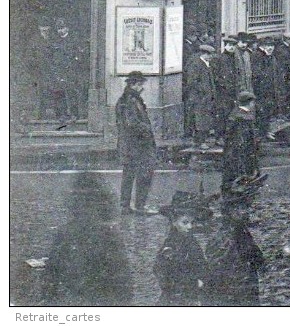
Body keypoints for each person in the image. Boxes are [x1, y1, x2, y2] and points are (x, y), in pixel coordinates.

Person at [41, 173, 132, 306]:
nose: (83, 208)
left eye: (87, 203)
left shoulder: (69, 233)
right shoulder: (109, 235)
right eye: (80, 203)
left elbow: (50, 279)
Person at [205, 178, 266, 306]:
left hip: (247, 289)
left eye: (245, 207)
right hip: (233, 292)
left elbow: (256, 256)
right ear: (230, 211)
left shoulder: (241, 230)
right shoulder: (224, 235)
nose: (245, 212)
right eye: (239, 208)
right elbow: (217, 268)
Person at [154, 192, 211, 305]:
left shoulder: (191, 241)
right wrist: (194, 283)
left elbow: (202, 264)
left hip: (194, 296)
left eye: (192, 222)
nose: (190, 227)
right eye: (185, 222)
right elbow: (162, 273)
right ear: (174, 222)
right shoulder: (171, 245)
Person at [115, 71, 159, 215]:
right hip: (137, 145)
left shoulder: (128, 99)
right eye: (140, 84)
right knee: (143, 174)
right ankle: (139, 206)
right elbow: (132, 123)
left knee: (129, 174)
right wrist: (147, 130)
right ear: (133, 84)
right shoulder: (130, 100)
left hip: (130, 144)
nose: (142, 87)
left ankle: (125, 206)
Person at [222, 91, 259, 191]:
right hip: (241, 149)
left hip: (236, 149)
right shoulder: (243, 117)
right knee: (239, 170)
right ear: (250, 103)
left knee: (234, 171)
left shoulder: (237, 115)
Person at [251, 37, 286, 138]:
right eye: (268, 45)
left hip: (269, 90)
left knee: (266, 112)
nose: (270, 48)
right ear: (263, 46)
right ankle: (261, 133)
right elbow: (257, 73)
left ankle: (265, 131)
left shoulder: (270, 57)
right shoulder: (258, 56)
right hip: (261, 90)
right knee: (261, 112)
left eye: (272, 46)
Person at [184, 44, 218, 147]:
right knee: (199, 120)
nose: (211, 57)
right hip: (199, 97)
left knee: (205, 119)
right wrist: (203, 91)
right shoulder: (196, 64)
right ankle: (200, 141)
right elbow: (192, 82)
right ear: (205, 54)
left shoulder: (206, 63)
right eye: (210, 55)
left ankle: (202, 140)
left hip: (206, 97)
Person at [210, 36, 240, 143]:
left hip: (232, 91)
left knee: (231, 114)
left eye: (233, 46)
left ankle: (228, 135)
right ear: (225, 46)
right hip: (222, 92)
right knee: (222, 114)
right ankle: (220, 137)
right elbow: (215, 75)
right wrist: (222, 85)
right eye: (229, 45)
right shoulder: (219, 58)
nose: (231, 48)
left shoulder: (234, 58)